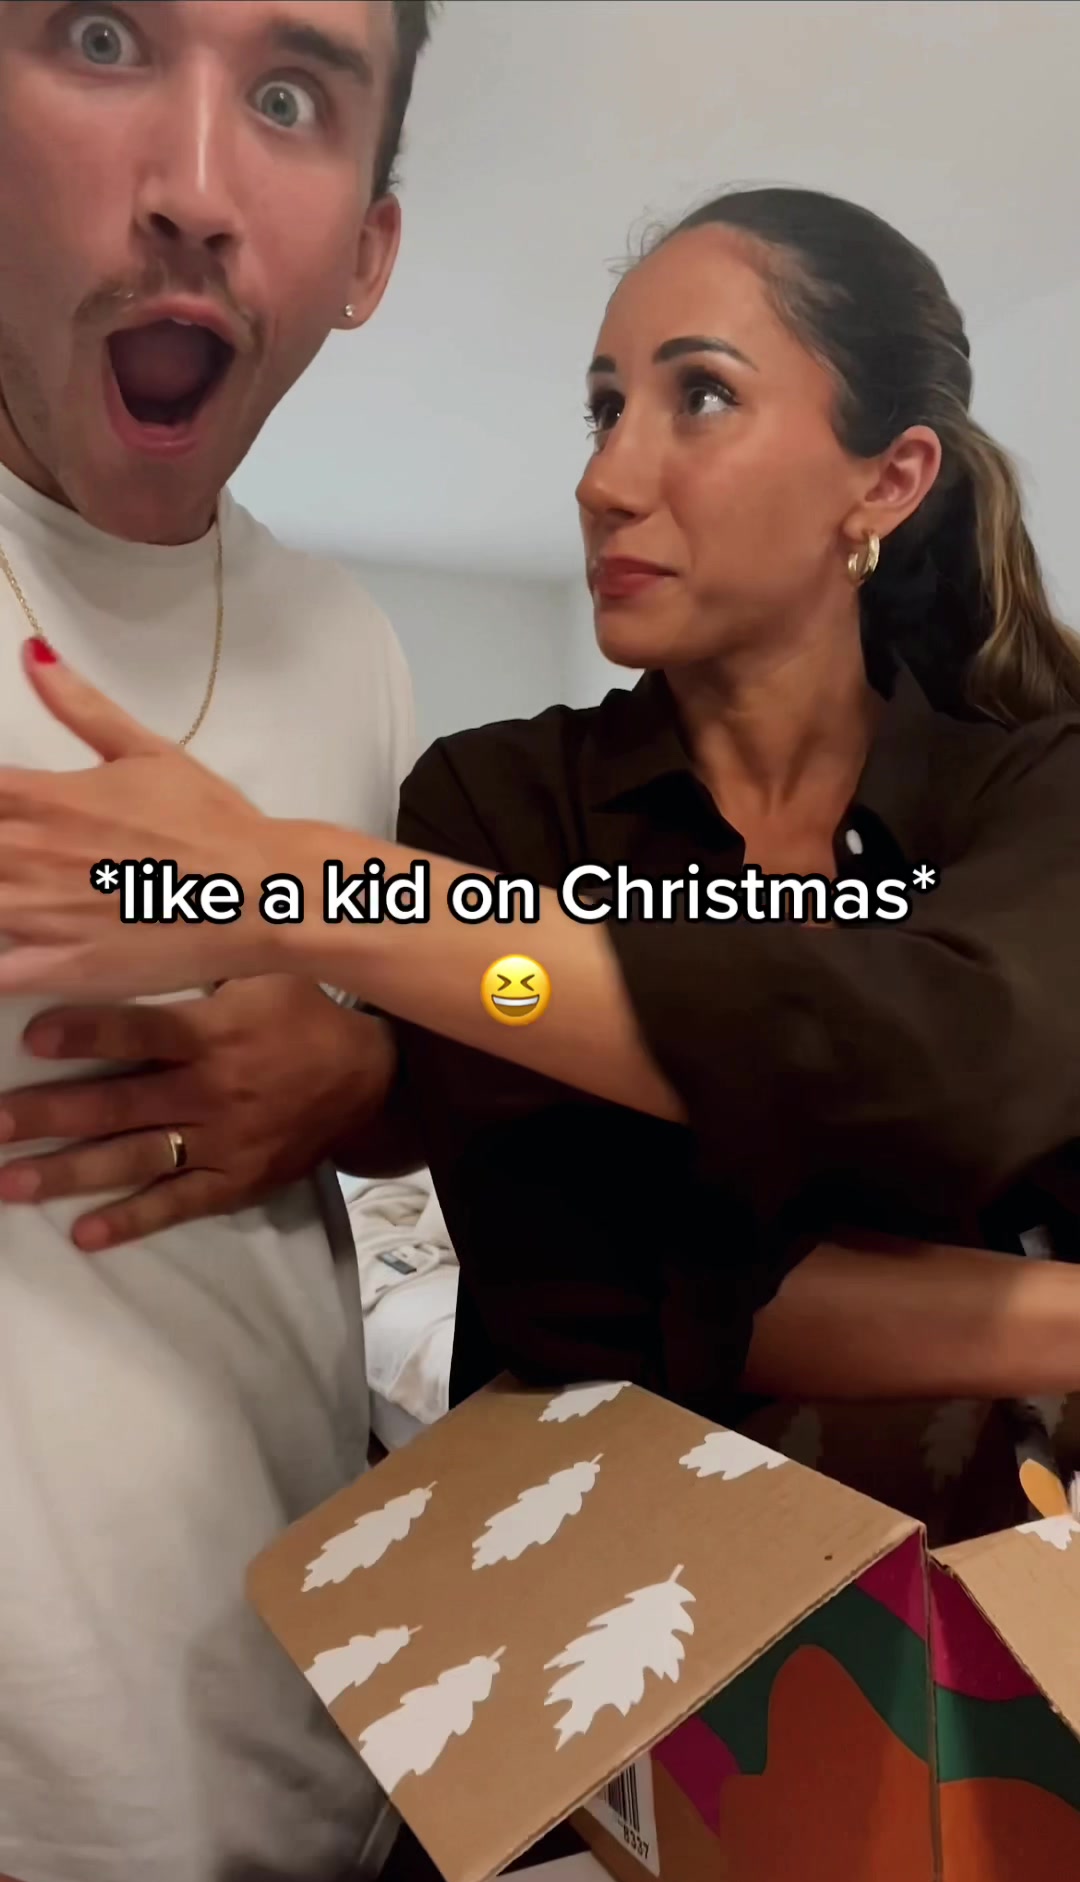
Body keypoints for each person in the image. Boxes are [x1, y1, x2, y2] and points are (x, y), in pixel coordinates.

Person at [4, 187, 1080, 1453]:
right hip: (594, 1546)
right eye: (606, 408)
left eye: (703, 396)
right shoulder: (497, 798)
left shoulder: (1032, 788)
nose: (603, 479)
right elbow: (580, 1283)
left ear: (887, 481)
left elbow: (959, 1066)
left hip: (997, 1547)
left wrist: (313, 886)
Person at [0, 3, 437, 1882]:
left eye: (286, 95)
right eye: (102, 36)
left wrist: (375, 1070)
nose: (191, 185)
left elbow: (531, 992)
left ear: (365, 255)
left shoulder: (355, 648)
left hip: (329, 1786)